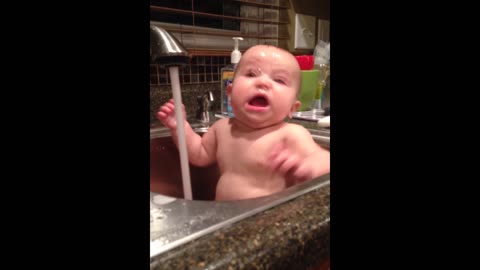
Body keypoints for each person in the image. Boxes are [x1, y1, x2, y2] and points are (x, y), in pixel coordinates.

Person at [157, 45, 330, 201]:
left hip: (266, 218)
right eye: (251, 74)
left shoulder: (290, 134)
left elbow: (322, 159)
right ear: (230, 93)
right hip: (222, 216)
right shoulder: (222, 128)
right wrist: (180, 127)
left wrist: (309, 166)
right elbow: (199, 154)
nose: (262, 82)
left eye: (279, 80)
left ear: (292, 108)